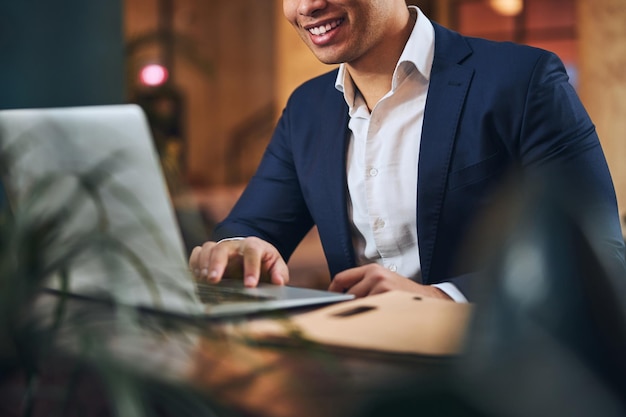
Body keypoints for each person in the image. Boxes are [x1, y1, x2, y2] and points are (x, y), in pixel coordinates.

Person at [189, 0, 625, 302]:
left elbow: (601, 255)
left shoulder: (523, 80)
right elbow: (253, 225)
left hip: (502, 370)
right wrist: (233, 248)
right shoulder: (307, 107)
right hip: (364, 371)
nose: (307, 6)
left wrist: (437, 296)